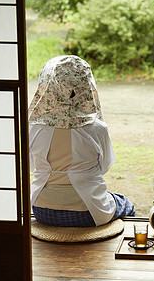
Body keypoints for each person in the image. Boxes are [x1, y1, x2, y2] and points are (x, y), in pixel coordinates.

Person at [28, 55, 135, 227]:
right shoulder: (97, 128)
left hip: (41, 209)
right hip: (88, 212)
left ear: (47, 86)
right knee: (125, 204)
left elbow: (32, 166)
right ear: (86, 85)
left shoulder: (34, 127)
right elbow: (104, 166)